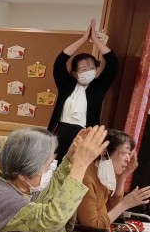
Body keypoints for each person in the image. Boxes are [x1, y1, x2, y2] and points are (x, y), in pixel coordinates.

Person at [48, 19, 118, 162]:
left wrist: (96, 41)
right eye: (84, 68)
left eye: (92, 67)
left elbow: (112, 63)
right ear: (74, 73)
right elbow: (60, 62)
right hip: (60, 133)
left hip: (84, 135)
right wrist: (83, 39)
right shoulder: (66, 85)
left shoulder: (98, 87)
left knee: (76, 168)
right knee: (53, 167)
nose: (89, 71)